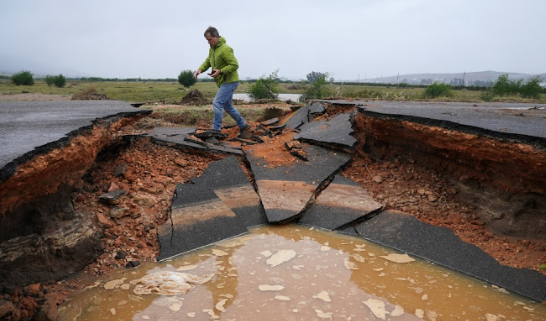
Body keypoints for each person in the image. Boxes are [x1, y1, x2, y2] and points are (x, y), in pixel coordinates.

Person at [194, 26, 250, 137]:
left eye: (210, 39)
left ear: (216, 36)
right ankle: (243, 125)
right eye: (207, 40)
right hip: (223, 82)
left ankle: (216, 129)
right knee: (228, 106)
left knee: (217, 102)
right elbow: (208, 61)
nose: (208, 42)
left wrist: (221, 71)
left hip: (230, 81)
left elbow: (234, 65)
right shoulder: (212, 49)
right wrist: (200, 69)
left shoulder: (225, 49)